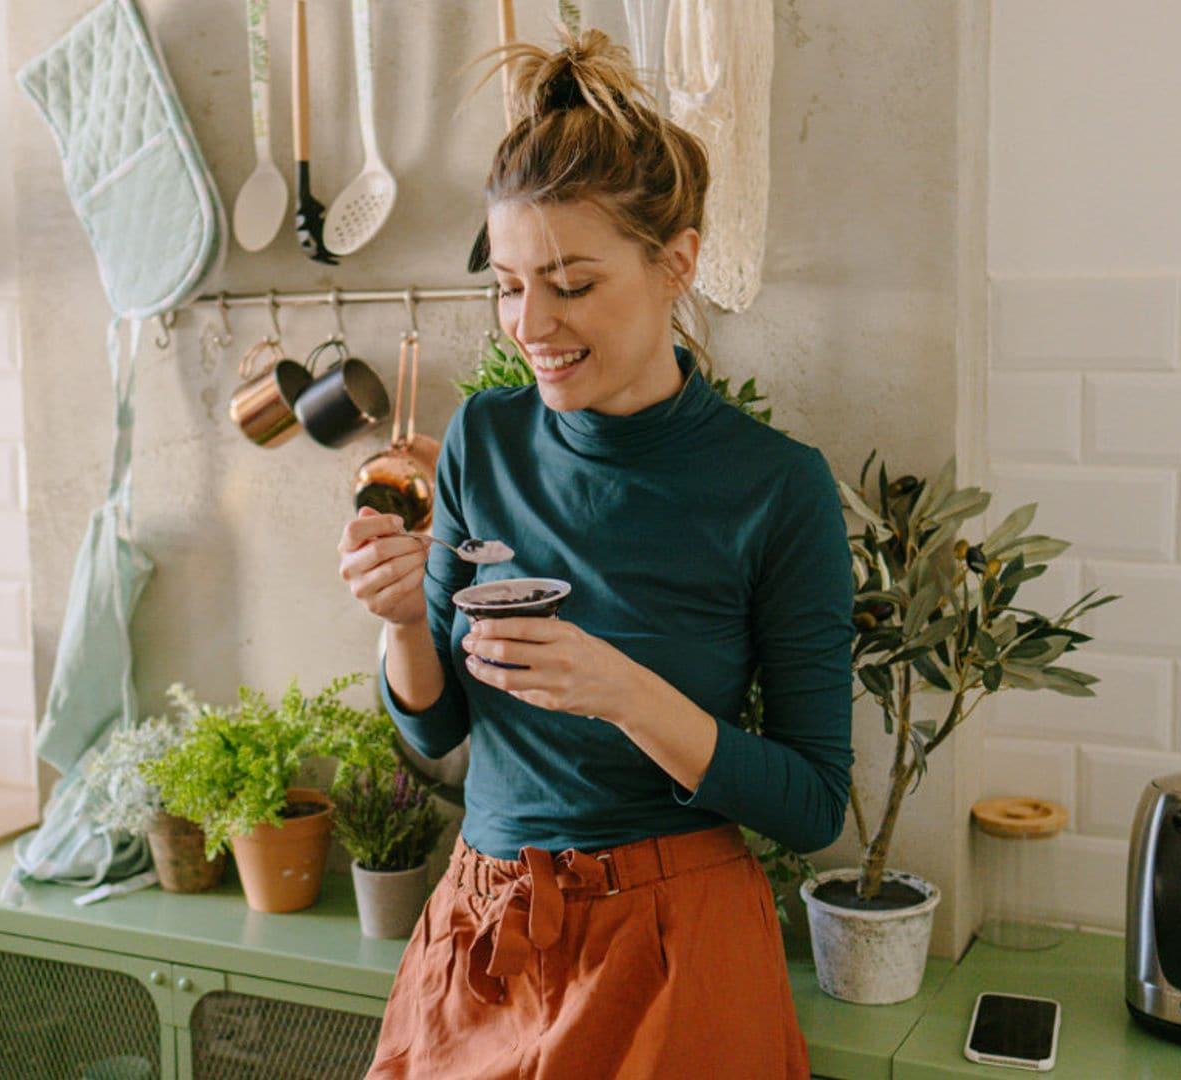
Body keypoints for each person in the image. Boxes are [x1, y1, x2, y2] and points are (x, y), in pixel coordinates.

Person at [336, 28, 853, 1080]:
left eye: (571, 283)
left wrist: (624, 692)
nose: (532, 323)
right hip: (482, 936)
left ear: (678, 263)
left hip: (672, 948)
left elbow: (811, 804)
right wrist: (399, 622)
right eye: (510, 284)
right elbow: (436, 723)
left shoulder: (774, 488)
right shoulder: (485, 437)